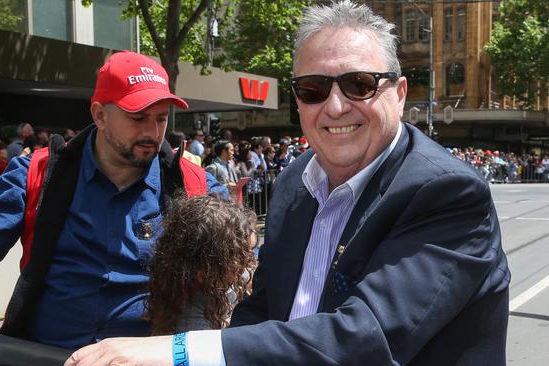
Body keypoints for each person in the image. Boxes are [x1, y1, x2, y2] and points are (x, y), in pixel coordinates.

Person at [65, 2, 510, 365]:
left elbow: (366, 339)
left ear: (399, 92)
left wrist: (181, 352)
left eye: (359, 84)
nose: (334, 106)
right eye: (313, 89)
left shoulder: (448, 192)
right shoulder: (296, 179)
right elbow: (263, 311)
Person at [0, 50, 227, 350]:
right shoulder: (37, 175)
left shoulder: (194, 185)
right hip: (43, 355)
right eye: (138, 117)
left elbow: (243, 265)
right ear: (99, 115)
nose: (153, 132)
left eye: (161, 118)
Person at [146, 195, 256, 335]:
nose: (249, 263)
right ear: (204, 273)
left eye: (250, 252)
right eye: (240, 257)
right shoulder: (192, 320)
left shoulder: (228, 275)